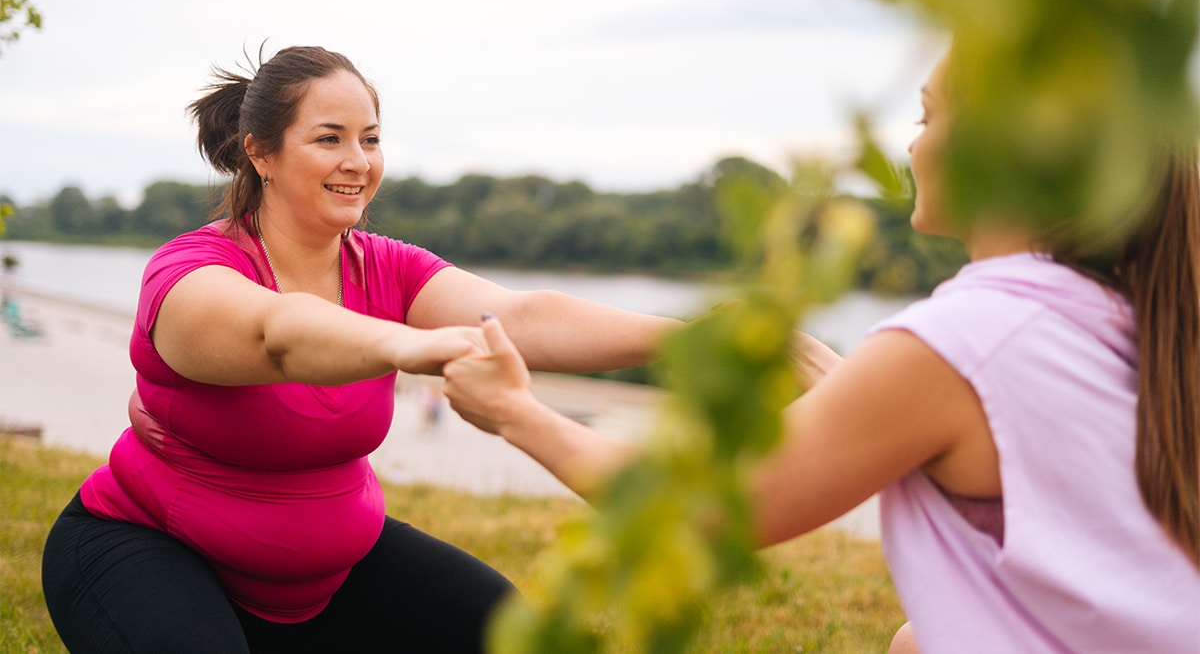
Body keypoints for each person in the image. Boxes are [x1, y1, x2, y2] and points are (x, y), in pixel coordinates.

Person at [442, 49, 1200, 652]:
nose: (911, 142)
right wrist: (850, 385)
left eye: (930, 118)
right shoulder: (1119, 308)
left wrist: (516, 411)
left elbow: (698, 512)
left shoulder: (963, 340)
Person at [40, 45, 679, 653]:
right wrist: (409, 344)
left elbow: (524, 316)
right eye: (329, 138)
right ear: (261, 153)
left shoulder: (387, 268)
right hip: (145, 548)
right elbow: (278, 335)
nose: (358, 161)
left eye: (370, 139)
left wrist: (706, 337)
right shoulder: (190, 271)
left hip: (329, 580)